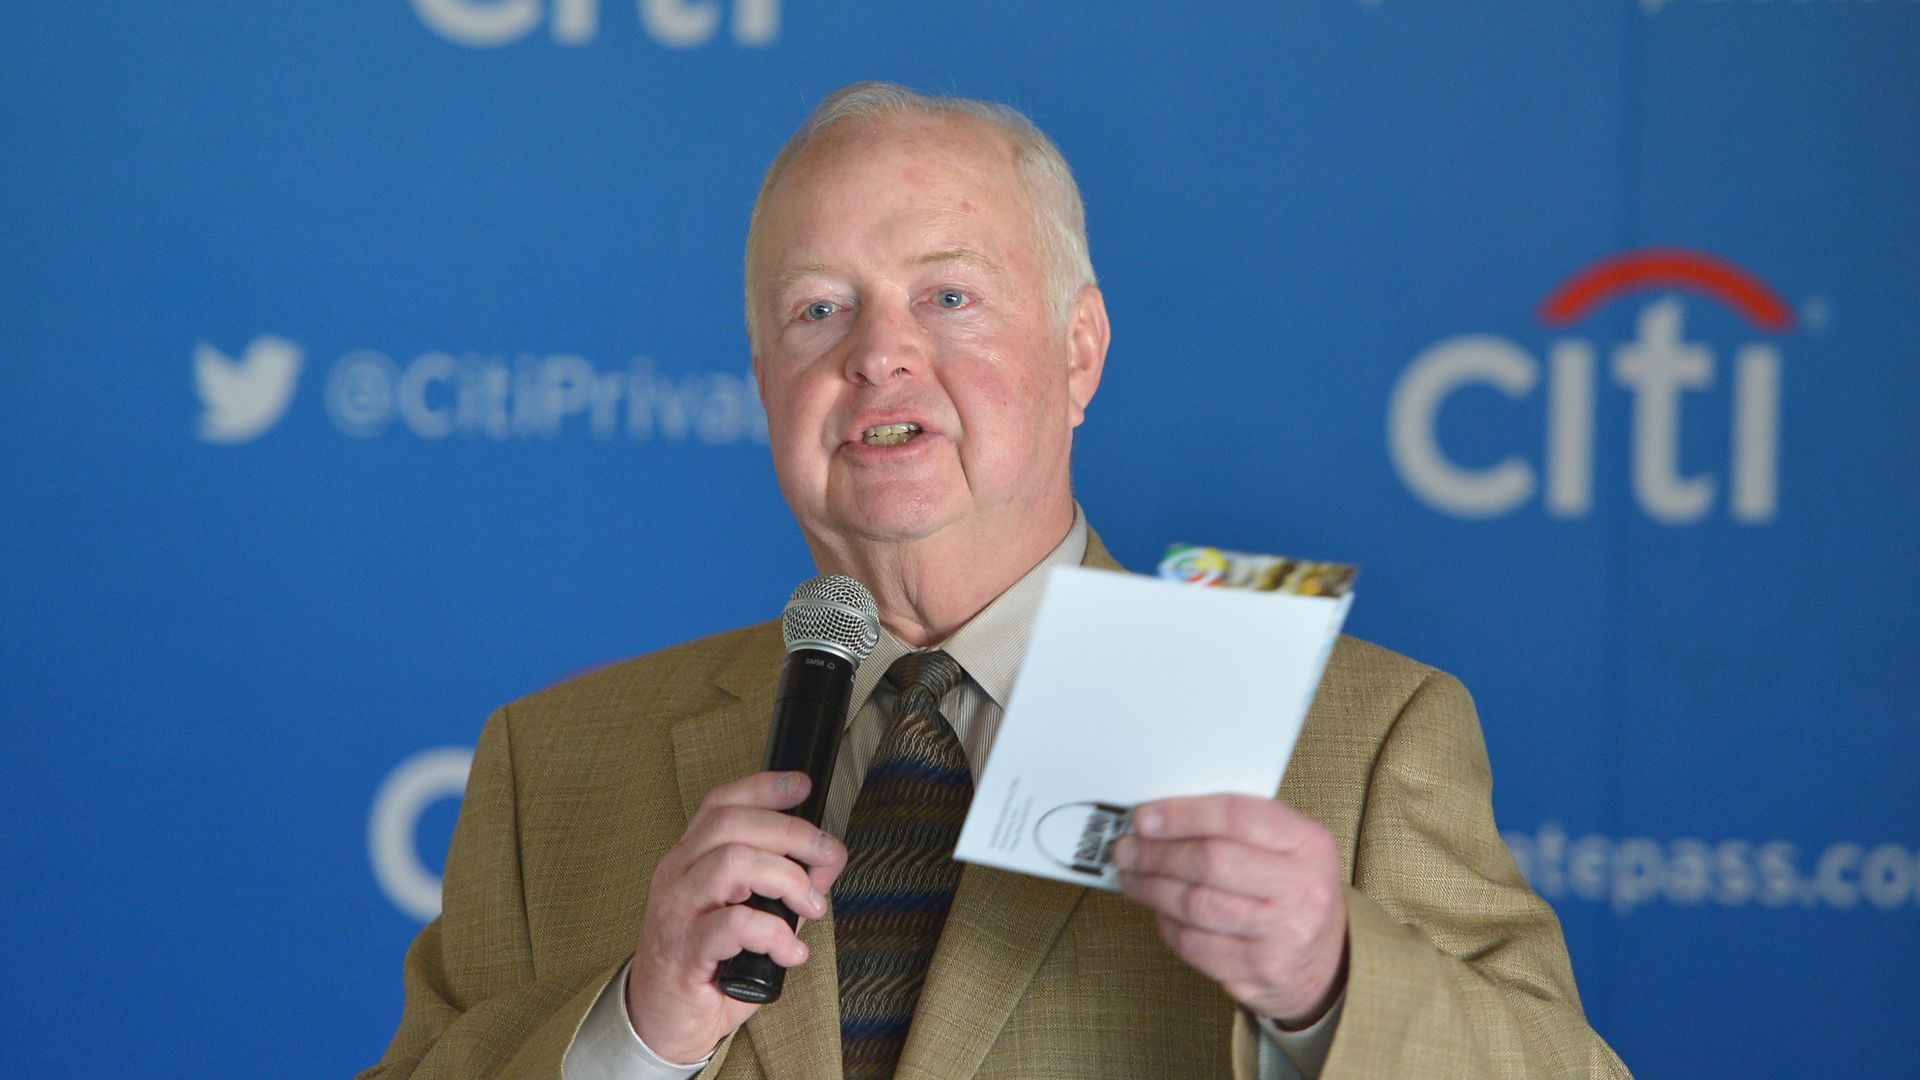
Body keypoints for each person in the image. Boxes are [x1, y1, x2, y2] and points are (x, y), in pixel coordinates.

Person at [361, 82, 1630, 1079]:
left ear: (1078, 353)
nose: (879, 356)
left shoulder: (1359, 734)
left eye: (949, 296)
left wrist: (1330, 979)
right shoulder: (553, 766)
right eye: (818, 312)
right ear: (762, 379)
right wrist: (633, 1037)